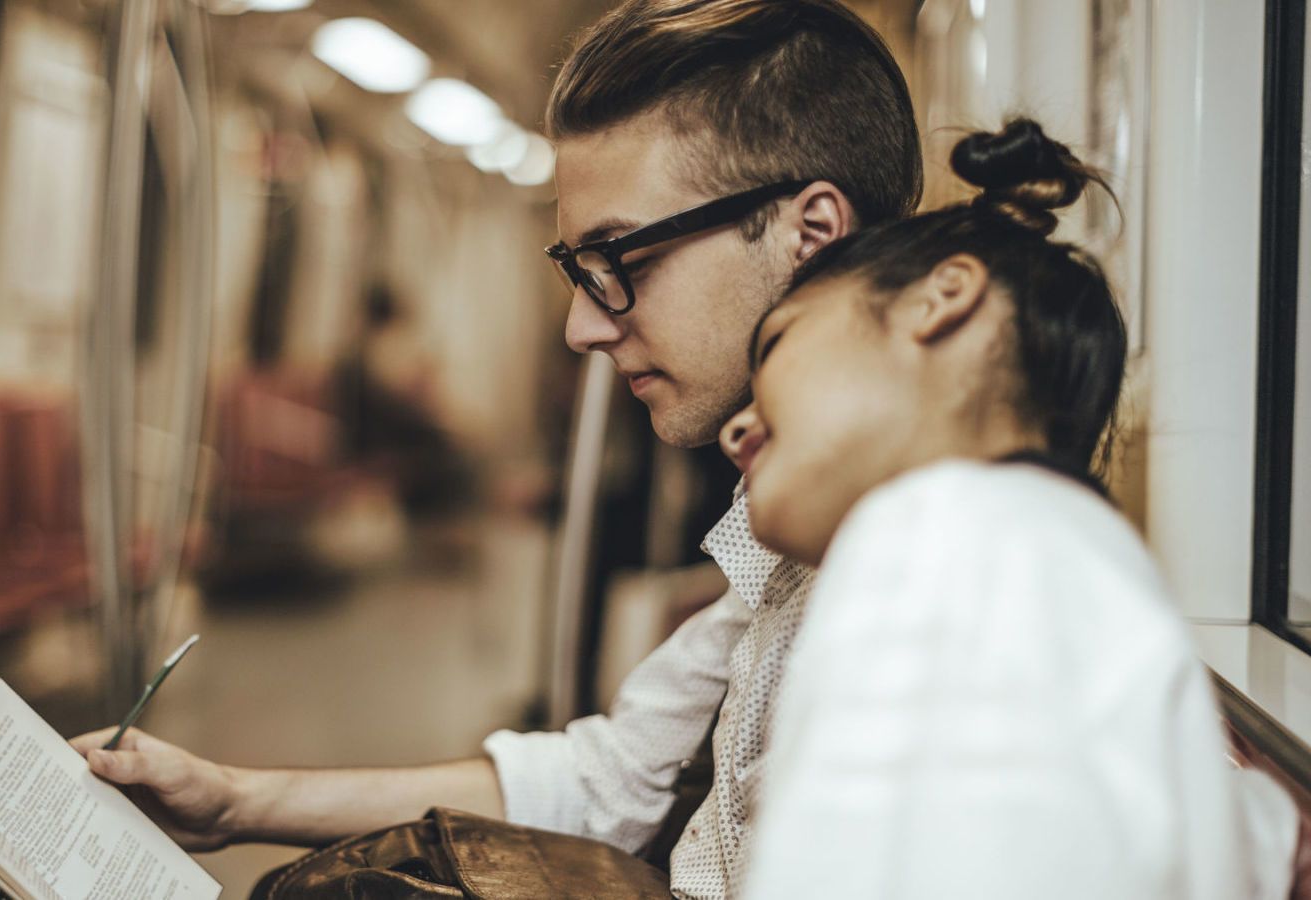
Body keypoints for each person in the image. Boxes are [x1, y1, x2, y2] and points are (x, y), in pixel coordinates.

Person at [70, 1, 921, 897]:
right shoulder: (785, 514)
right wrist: (235, 801)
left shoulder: (920, 589)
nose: (580, 326)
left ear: (811, 234)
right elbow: (614, 780)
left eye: (620, 258)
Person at [720, 119, 1298, 898]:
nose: (738, 427)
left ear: (943, 297)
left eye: (777, 345)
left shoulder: (944, 538)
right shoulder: (1062, 557)